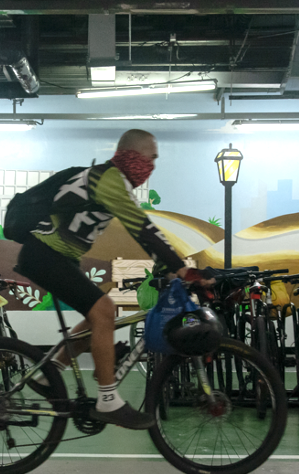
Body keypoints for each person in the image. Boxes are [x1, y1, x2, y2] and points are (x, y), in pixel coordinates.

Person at [12, 129, 198, 430]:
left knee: (97, 315)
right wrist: (182, 269)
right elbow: (142, 228)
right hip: (43, 255)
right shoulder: (108, 178)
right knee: (104, 312)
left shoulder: (109, 179)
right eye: (151, 159)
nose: (152, 167)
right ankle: (108, 401)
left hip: (53, 256)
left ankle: (49, 375)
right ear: (132, 155)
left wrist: (167, 268)